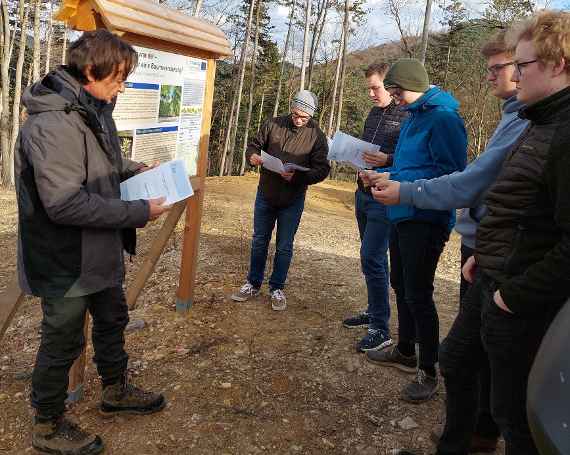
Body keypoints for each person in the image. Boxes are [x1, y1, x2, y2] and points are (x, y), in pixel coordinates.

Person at [372, 31, 528, 454]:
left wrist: (402, 187)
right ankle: (473, 433)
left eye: (499, 68)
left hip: (445, 227)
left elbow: (465, 175)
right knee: (411, 295)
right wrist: (391, 173)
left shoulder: (445, 118)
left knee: (465, 354)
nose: (489, 77)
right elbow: (420, 165)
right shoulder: (511, 115)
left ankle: (438, 390)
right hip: (469, 240)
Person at [15, 30, 170, 455]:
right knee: (63, 338)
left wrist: (134, 168)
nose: (122, 86)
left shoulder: (93, 108)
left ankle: (115, 390)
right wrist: (139, 211)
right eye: (118, 77)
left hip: (98, 247)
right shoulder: (50, 124)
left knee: (112, 317)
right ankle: (46, 423)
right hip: (64, 256)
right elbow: (64, 205)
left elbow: (102, 160)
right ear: (89, 71)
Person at [462, 10, 570, 454]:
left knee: (521, 422)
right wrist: (485, 254)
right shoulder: (541, 120)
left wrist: (514, 296)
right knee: (505, 409)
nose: (515, 75)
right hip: (499, 282)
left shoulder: (564, 134)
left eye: (522, 66)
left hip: (523, 309)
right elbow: (522, 208)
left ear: (558, 64)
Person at [366, 59, 468, 403]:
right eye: (391, 93)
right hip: (401, 212)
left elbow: (452, 175)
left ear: (415, 85)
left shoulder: (444, 119)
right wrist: (385, 174)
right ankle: (406, 350)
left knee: (419, 293)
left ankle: (428, 369)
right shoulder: (414, 116)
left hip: (427, 218)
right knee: (400, 283)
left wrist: (398, 180)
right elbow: (411, 165)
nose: (395, 99)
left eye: (397, 92)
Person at [231, 90, 330, 311]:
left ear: (311, 115)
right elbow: (254, 145)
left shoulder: (317, 136)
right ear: (291, 107)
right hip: (266, 193)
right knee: (259, 241)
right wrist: (252, 156)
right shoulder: (273, 124)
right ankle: (253, 283)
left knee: (284, 246)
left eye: (304, 117)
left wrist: (299, 176)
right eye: (296, 114)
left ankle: (277, 288)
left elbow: (322, 170)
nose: (298, 119)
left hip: (293, 198)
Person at [341, 63, 408, 352]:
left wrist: (386, 161)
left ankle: (380, 328)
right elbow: (367, 149)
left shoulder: (406, 114)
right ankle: (374, 309)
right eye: (368, 87)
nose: (371, 93)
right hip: (363, 192)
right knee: (372, 259)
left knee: (372, 256)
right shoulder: (373, 113)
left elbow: (409, 159)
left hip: (384, 197)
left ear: (390, 87)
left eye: (375, 87)